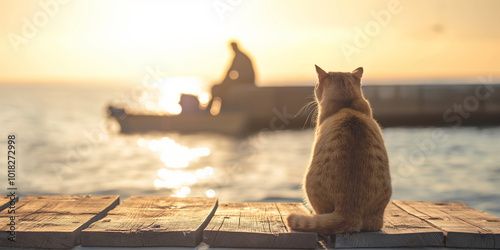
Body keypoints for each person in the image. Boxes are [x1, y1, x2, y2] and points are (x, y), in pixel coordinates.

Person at [208, 41, 256, 112]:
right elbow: (231, 71)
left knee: (219, 89)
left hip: (246, 81)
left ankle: (218, 110)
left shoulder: (239, 56)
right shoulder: (240, 55)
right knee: (222, 87)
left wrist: (223, 82)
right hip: (245, 80)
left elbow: (230, 70)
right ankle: (220, 109)